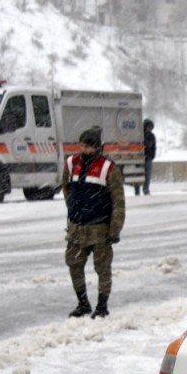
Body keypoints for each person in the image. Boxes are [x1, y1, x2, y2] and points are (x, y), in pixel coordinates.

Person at [62, 126, 125, 319]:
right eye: (81, 145)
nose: (84, 150)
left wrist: (114, 230)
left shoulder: (108, 168)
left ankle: (102, 306)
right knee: (74, 263)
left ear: (97, 147)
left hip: (100, 228)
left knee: (102, 268)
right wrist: (74, 209)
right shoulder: (71, 163)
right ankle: (83, 303)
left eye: (88, 146)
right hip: (77, 227)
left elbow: (118, 202)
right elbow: (66, 188)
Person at [141, 118, 156, 195]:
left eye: (150, 127)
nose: (149, 129)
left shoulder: (152, 136)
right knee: (140, 174)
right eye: (148, 127)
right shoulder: (141, 135)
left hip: (148, 158)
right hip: (141, 157)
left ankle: (146, 189)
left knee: (147, 175)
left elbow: (154, 147)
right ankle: (139, 190)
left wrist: (152, 156)